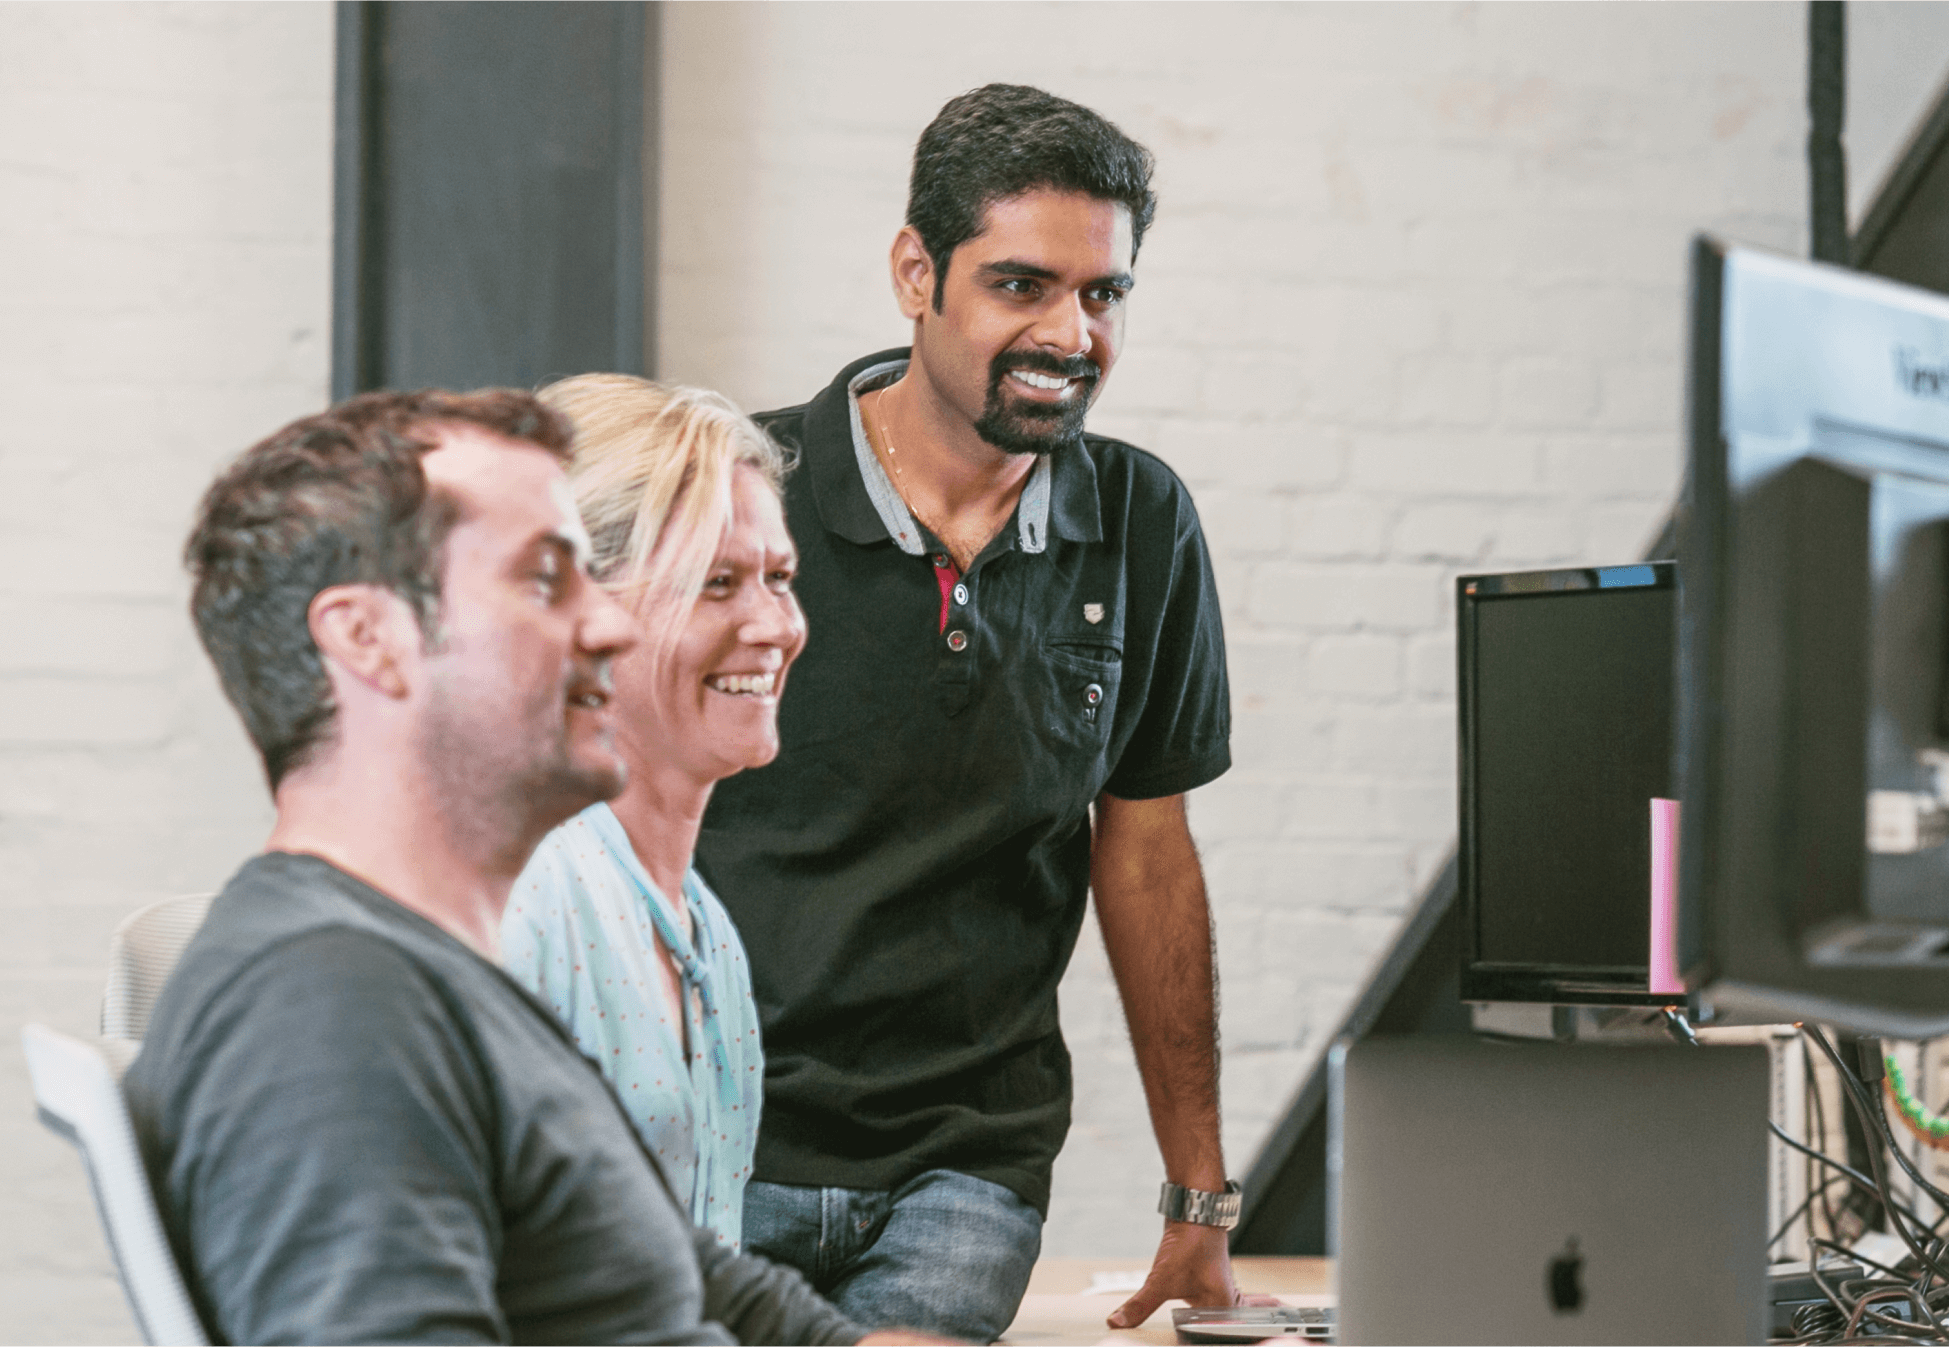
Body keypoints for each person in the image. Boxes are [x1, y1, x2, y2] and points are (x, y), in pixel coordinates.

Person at [126, 389, 936, 1347]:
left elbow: (697, 1278)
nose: (606, 626)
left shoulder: (430, 966)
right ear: (368, 640)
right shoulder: (328, 1000)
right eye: (549, 581)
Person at [698, 83, 1240, 1341]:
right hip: (717, 1145)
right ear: (914, 272)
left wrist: (1199, 1199)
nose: (1070, 332)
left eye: (1102, 294)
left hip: (965, 1168)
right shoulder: (738, 499)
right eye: (1020, 286)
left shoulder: (1141, 523)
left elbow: (1146, 853)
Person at [502, 374, 801, 1249]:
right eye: (715, 582)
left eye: (778, 577)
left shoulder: (700, 930)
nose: (772, 624)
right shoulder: (526, 897)